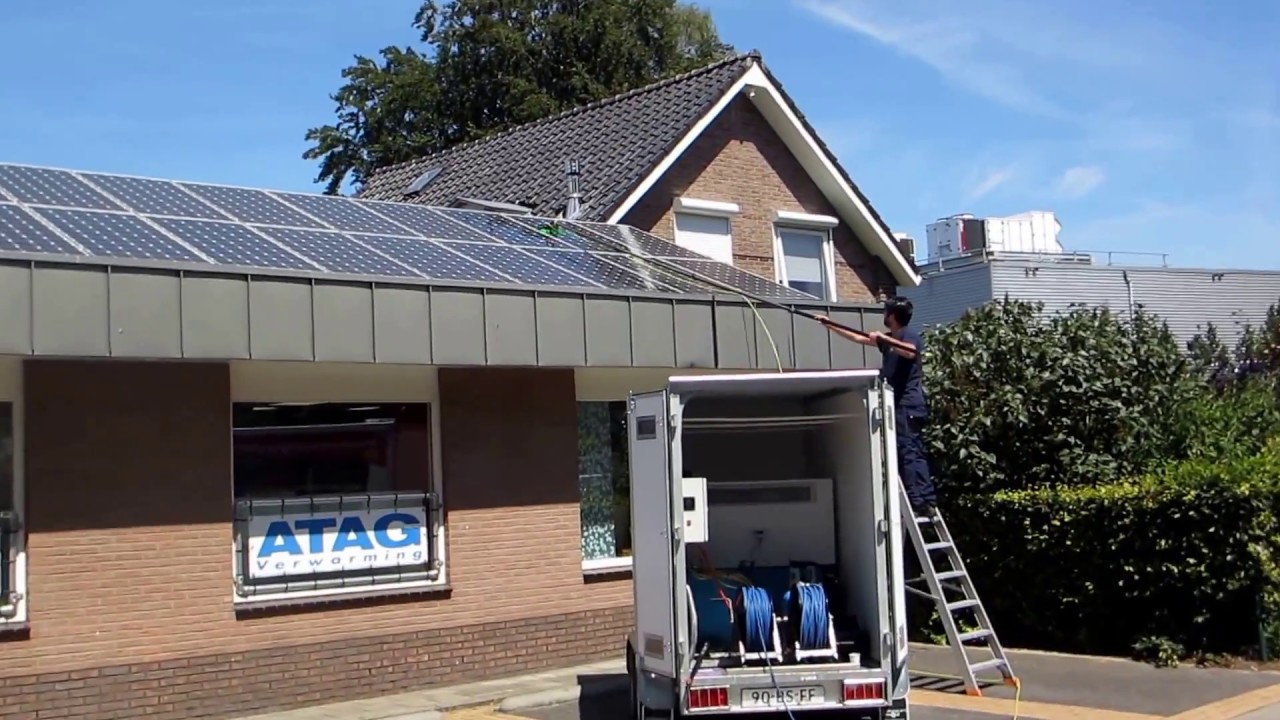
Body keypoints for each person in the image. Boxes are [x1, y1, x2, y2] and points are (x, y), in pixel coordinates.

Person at [815, 297, 938, 517]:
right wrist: (829, 324)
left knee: (911, 452)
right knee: (908, 451)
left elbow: (910, 351)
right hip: (899, 407)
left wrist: (883, 338)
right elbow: (858, 337)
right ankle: (922, 499)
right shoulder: (891, 340)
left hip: (908, 406)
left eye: (885, 312)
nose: (884, 315)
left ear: (892, 315)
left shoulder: (908, 336)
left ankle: (921, 501)